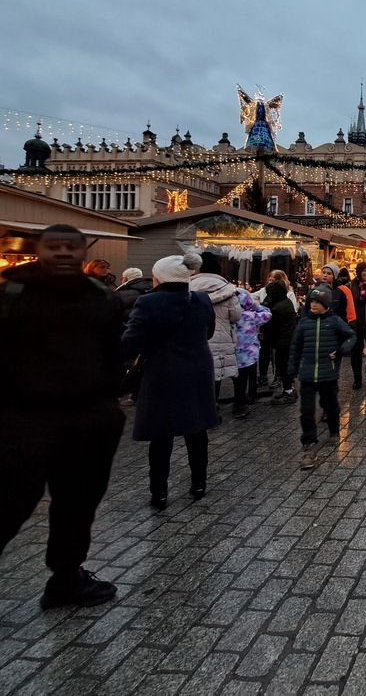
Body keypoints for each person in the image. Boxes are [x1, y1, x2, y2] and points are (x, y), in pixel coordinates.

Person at [0, 225, 125, 609]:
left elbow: (113, 351)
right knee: (10, 502)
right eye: (54, 246)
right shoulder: (11, 293)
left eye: (71, 246)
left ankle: (66, 578)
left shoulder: (101, 296)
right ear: (40, 250)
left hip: (89, 421)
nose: (64, 253)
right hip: (23, 419)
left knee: (78, 504)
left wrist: (107, 406)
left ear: (83, 252)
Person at [123, 253, 218, 509]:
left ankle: (159, 492)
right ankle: (199, 483)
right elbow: (208, 332)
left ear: (160, 278)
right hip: (197, 371)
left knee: (161, 434)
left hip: (161, 373)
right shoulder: (201, 300)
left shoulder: (148, 302)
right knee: (196, 430)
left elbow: (130, 342)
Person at [289, 287, 357, 469]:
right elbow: (295, 348)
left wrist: (341, 351)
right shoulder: (304, 323)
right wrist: (292, 371)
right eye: (312, 301)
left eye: (317, 302)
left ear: (326, 304)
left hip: (328, 373)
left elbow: (351, 336)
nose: (313, 304)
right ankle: (309, 439)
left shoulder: (334, 321)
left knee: (330, 405)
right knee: (306, 409)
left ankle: (334, 430)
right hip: (307, 374)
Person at [189, 252, 242, 414]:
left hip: (195, 337)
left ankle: (201, 406)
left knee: (198, 373)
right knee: (219, 372)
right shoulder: (228, 290)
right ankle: (222, 405)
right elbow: (236, 316)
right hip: (222, 336)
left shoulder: (188, 287)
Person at [232, 287, 271, 418]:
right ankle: (241, 403)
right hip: (249, 354)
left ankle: (238, 401)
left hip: (233, 352)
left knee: (237, 380)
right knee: (245, 379)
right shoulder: (250, 316)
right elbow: (267, 314)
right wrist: (255, 305)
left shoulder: (231, 315)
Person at [261, 281, 298, 403]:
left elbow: (270, 326)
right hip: (287, 340)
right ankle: (288, 390)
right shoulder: (286, 302)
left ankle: (289, 392)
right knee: (283, 366)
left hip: (283, 342)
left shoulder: (277, 308)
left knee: (283, 367)